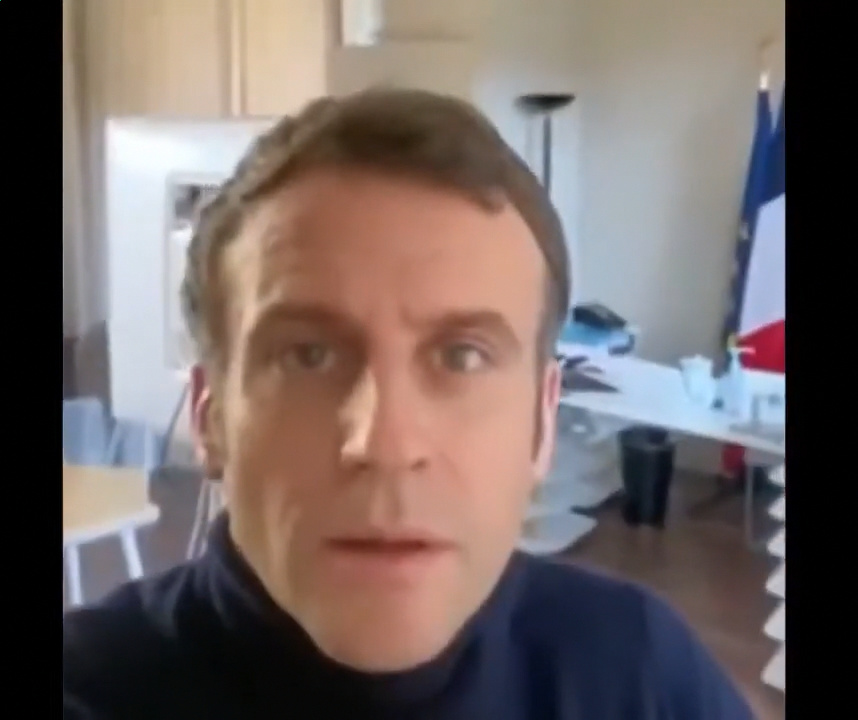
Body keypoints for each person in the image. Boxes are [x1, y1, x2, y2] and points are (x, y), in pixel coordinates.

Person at [63, 88, 754, 720]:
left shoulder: (640, 674)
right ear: (210, 416)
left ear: (543, 421)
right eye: (308, 355)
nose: (385, 443)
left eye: (463, 357)